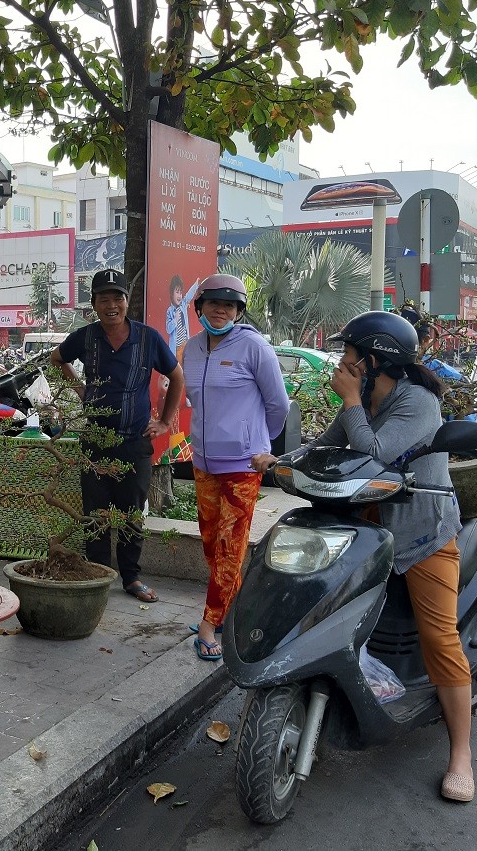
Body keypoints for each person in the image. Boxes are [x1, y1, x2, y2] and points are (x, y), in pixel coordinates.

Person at [251, 311, 475, 803]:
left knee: (440, 637)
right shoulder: (366, 396)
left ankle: (461, 755)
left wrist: (351, 400)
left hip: (421, 534)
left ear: (372, 361)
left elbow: (375, 454)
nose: (340, 362)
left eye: (348, 355)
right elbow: (328, 445)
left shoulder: (417, 403)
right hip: (364, 529)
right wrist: (281, 461)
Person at [50, 269, 185, 602]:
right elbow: (57, 359)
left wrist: (165, 422)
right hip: (94, 440)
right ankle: (99, 575)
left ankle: (131, 578)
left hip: (135, 441)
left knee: (130, 514)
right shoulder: (86, 338)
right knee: (95, 513)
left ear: (127, 301)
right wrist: (80, 389)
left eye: (117, 298)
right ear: (94, 304)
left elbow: (177, 376)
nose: (111, 305)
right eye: (104, 299)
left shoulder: (148, 338)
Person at [182, 274, 288, 662]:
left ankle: (210, 623)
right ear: (200, 308)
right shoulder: (191, 349)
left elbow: (279, 405)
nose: (222, 310)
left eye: (231, 305)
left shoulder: (254, 346)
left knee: (230, 546)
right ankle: (234, 611)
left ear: (239, 311)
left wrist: (260, 444)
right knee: (212, 544)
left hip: (243, 466)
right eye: (214, 303)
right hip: (203, 462)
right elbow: (193, 397)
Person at [164, 274, 201, 356]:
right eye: (177, 292)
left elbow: (189, 295)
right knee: (178, 367)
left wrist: (196, 285)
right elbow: (168, 329)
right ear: (171, 294)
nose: (179, 295)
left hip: (185, 344)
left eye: (181, 293)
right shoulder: (170, 311)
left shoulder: (183, 305)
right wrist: (175, 320)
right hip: (176, 348)